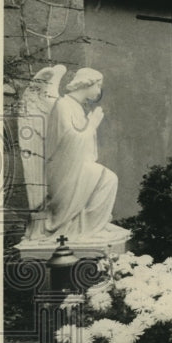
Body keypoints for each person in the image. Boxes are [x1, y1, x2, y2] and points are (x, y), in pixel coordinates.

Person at [44, 68, 118, 238]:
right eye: (98, 86)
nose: (99, 91)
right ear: (87, 83)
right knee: (108, 179)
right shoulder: (63, 105)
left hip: (78, 163)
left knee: (108, 179)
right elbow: (68, 139)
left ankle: (90, 224)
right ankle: (88, 227)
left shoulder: (76, 107)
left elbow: (83, 144)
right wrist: (92, 125)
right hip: (65, 168)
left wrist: (91, 125)